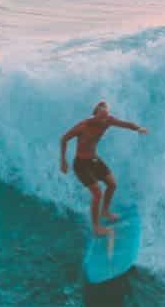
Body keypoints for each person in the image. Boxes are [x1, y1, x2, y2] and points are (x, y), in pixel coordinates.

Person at [59, 101, 148, 239]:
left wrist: (138, 128)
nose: (104, 120)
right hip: (81, 164)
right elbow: (64, 139)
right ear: (95, 116)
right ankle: (96, 227)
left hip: (94, 160)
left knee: (112, 184)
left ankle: (105, 211)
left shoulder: (108, 121)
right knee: (97, 194)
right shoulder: (83, 126)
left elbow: (125, 124)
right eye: (101, 117)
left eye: (106, 117)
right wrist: (63, 161)